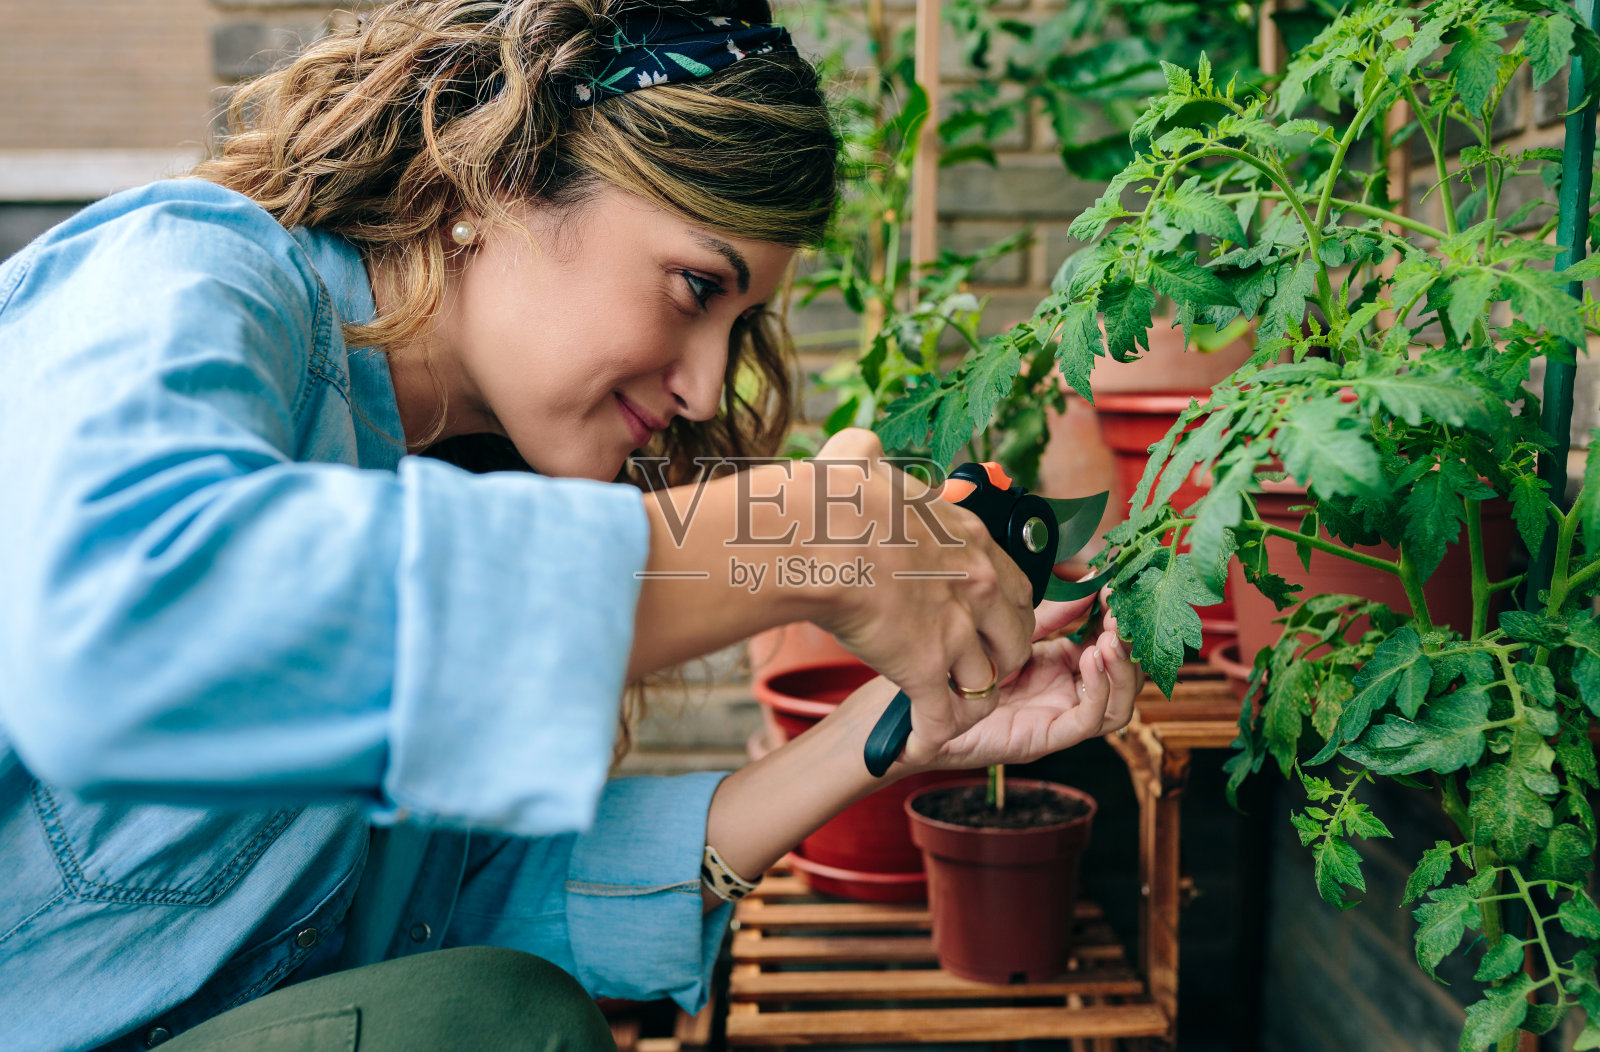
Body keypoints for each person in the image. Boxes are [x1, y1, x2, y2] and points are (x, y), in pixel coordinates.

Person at [0, 1, 1141, 1049]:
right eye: (697, 286)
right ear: (492, 177)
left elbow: (452, 923)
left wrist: (884, 734)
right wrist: (797, 532)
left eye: (740, 327)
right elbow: (124, 625)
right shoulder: (181, 278)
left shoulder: (472, 483)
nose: (705, 388)